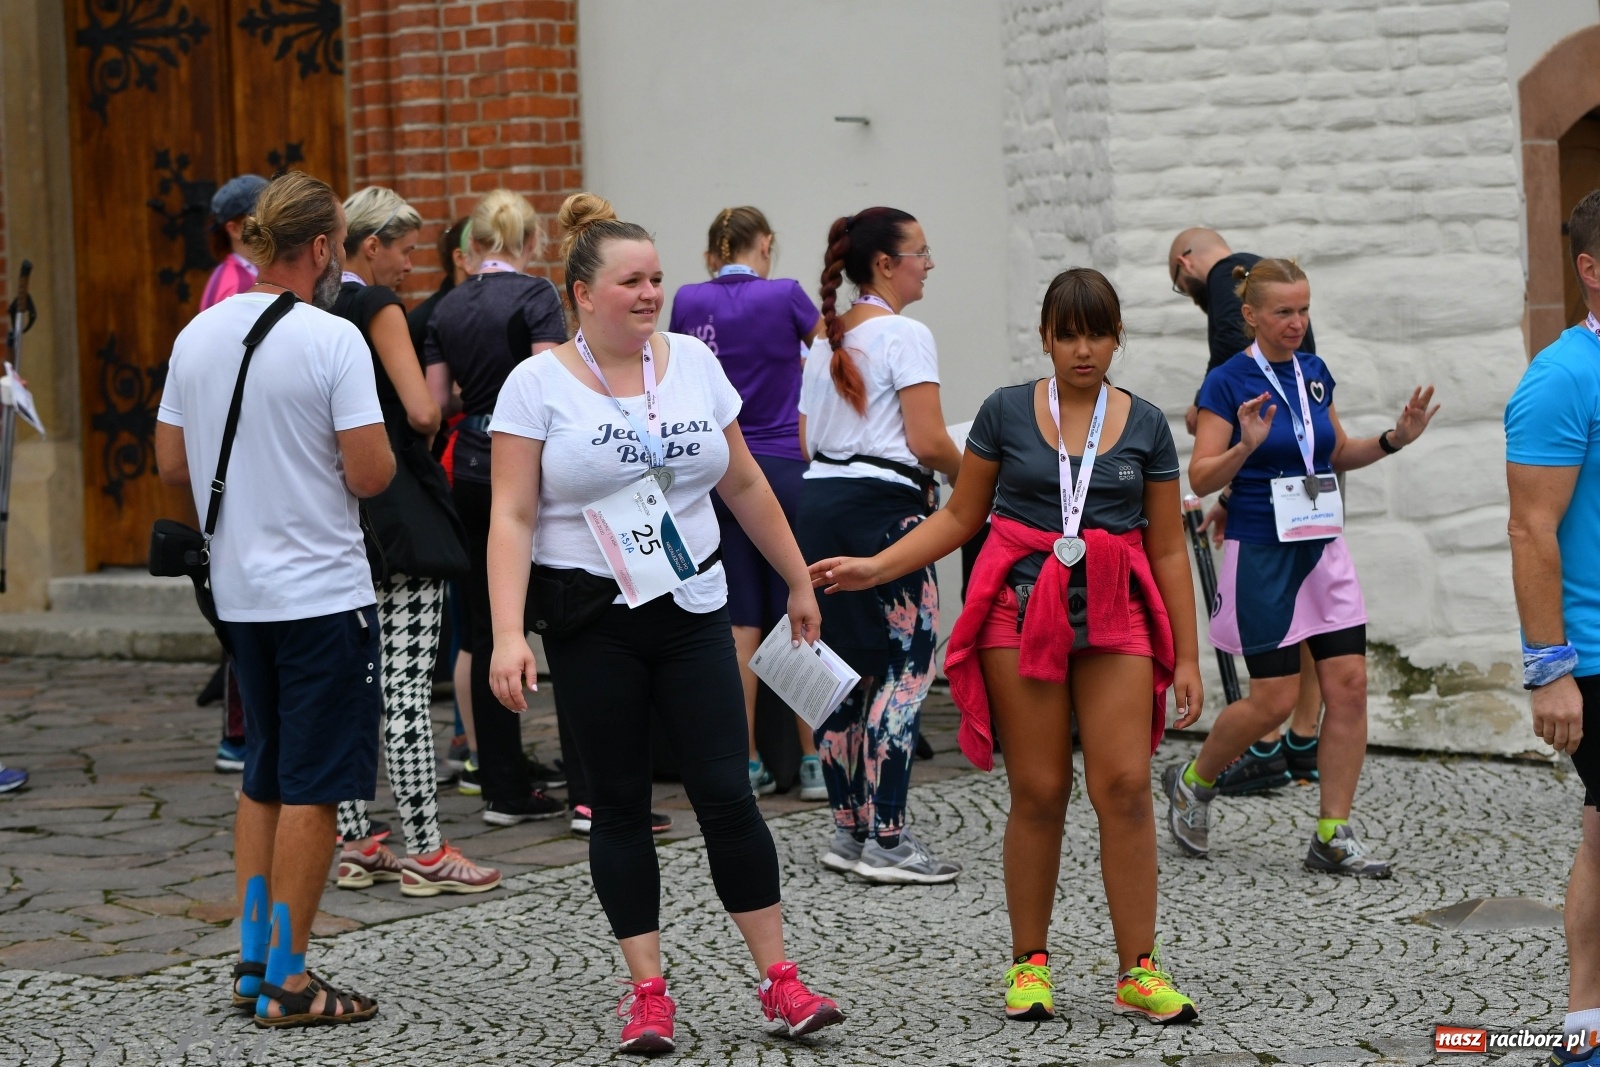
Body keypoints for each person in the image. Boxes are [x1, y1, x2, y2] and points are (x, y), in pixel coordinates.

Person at [487, 192, 844, 1055]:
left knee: (727, 793)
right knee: (619, 805)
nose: (649, 294)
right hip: (592, 619)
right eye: (629, 281)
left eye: (656, 278)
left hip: (692, 608)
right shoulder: (535, 384)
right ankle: (648, 994)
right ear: (581, 292)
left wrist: (797, 578)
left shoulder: (689, 362)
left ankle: (780, 980)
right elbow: (511, 516)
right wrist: (507, 633)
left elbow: (746, 483)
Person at [811, 266, 1203, 1024]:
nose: (1083, 349)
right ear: (1046, 337)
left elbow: (1164, 551)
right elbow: (960, 517)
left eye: (1097, 333)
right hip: (1017, 613)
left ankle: (1139, 967)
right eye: (1068, 333)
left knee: (1123, 787)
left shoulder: (1149, 424)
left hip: (1117, 613)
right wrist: (875, 567)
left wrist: (1185, 655)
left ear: (1118, 336)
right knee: (1040, 788)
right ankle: (1029, 964)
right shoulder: (1002, 412)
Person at [155, 170, 391, 1026]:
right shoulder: (332, 340)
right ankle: (292, 979)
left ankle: (254, 961)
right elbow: (369, 472)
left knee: (262, 774)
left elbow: (173, 465)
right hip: (322, 590)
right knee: (317, 785)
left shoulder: (198, 333)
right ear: (323, 247)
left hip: (241, 590)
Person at [1162, 257, 1438, 878]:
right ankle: (1194, 780)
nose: (1296, 322)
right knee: (1274, 701)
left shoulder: (1314, 374)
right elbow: (1201, 476)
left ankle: (1332, 834)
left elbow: (1336, 451)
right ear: (1251, 315)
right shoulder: (1229, 383)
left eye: (1304, 309)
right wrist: (1246, 447)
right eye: (1283, 311)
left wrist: (1396, 438)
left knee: (1349, 688)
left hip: (1322, 548)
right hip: (1262, 552)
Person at [326, 186, 499, 898]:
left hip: (335, 512)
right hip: (397, 506)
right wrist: (429, 416)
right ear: (371, 245)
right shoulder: (374, 307)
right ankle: (426, 847)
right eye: (400, 248)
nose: (407, 263)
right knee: (402, 687)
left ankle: (355, 837)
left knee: (347, 685)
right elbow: (424, 408)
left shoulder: (314, 307)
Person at [796, 206, 962, 883]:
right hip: (887, 510)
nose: (929, 264)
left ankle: (849, 830)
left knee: (841, 675)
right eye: (921, 252)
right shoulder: (904, 333)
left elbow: (808, 439)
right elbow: (925, 441)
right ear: (887, 264)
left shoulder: (825, 338)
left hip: (822, 503)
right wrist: (969, 470)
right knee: (906, 667)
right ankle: (889, 839)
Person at [668, 206, 826, 799]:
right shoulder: (786, 295)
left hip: (720, 470)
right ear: (765, 244)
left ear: (714, 251)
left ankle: (751, 759)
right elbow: (833, 359)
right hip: (784, 463)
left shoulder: (686, 301)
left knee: (740, 622)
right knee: (799, 603)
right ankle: (813, 760)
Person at [424, 190, 570, 826]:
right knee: (564, 617)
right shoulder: (537, 296)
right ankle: (588, 780)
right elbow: (549, 382)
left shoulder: (446, 305)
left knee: (488, 628)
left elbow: (437, 402)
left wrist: (475, 396)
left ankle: (502, 788)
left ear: (473, 245)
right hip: (528, 466)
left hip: (469, 467)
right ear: (530, 242)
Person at [1168, 226, 1321, 792]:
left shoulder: (1229, 288)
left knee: (1284, 617)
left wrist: (1205, 414)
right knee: (1308, 615)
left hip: (1276, 484)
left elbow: (1240, 388)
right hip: (1310, 479)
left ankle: (1263, 747)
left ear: (1185, 264)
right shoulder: (1276, 282)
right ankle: (1300, 741)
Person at [1506, 190, 1600, 1066]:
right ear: (1589, 269)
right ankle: (1584, 1025)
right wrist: (1550, 668)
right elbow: (1531, 527)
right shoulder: (1563, 376)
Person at [197, 173, 272, 772]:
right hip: (241, 457)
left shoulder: (244, 278)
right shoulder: (233, 284)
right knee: (245, 600)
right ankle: (240, 731)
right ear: (234, 226)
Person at [200, 174, 271, 311]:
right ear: (235, 229)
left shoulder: (235, 272)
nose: (273, 220)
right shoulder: (239, 287)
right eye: (262, 215)